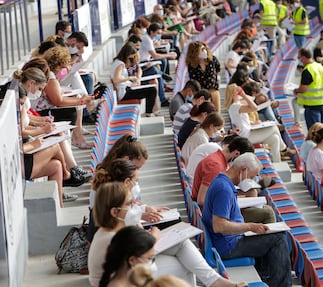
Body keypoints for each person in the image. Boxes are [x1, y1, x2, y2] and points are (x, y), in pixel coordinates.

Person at [88, 181, 244, 287]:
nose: (136, 206)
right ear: (115, 212)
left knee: (182, 245)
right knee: (183, 266)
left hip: (130, 268)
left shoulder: (117, 224)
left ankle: (215, 281)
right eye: (129, 204)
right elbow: (144, 247)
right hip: (117, 279)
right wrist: (154, 235)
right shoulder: (110, 236)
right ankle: (214, 282)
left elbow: (141, 241)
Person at [202, 152, 292, 286]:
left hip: (230, 240)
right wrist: (250, 226)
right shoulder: (223, 189)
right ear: (242, 170)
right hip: (228, 245)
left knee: (271, 236)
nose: (251, 181)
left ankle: (268, 278)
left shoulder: (223, 182)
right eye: (251, 177)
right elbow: (219, 226)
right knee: (278, 238)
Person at [33, 46, 95, 149]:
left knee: (74, 106)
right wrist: (81, 101)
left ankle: (75, 138)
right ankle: (75, 139)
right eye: (66, 64)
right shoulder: (50, 76)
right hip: (39, 113)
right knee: (72, 111)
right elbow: (58, 101)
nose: (67, 67)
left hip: (41, 109)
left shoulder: (50, 74)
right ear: (59, 64)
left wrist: (80, 101)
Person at [225, 83, 294, 162]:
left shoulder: (235, 106)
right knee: (274, 128)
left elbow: (241, 120)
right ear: (234, 94)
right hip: (246, 136)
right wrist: (243, 95)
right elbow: (254, 107)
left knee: (275, 139)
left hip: (247, 132)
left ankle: (277, 163)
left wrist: (252, 123)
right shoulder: (235, 106)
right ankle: (284, 149)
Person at [111, 42, 157, 117]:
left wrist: (130, 83)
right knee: (152, 90)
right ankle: (149, 113)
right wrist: (130, 78)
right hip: (123, 93)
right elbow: (116, 80)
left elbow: (119, 80)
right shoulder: (121, 64)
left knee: (148, 87)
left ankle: (149, 112)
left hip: (125, 89)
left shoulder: (117, 62)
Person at [294, 48, 323, 130]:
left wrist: (296, 90)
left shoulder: (307, 70)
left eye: (299, 58)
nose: (300, 60)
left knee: (314, 132)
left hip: (312, 105)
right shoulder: (320, 67)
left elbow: (303, 89)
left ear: (303, 58)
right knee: (321, 130)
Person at [186, 41, 221, 112]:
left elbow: (217, 69)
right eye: (201, 50)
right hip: (201, 93)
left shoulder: (212, 60)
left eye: (204, 48)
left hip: (213, 90)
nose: (204, 51)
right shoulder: (192, 65)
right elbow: (193, 80)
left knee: (216, 112)